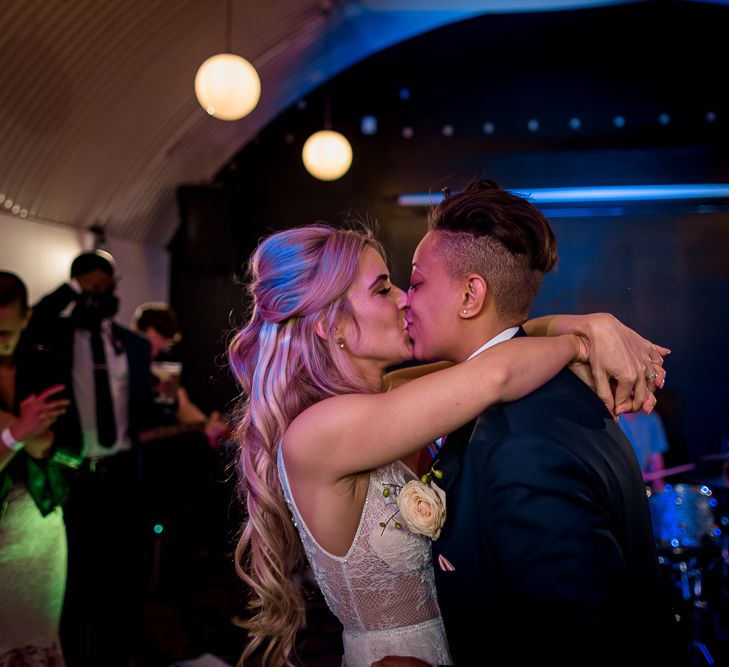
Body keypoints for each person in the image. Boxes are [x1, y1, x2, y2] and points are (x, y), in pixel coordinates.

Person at [227, 222, 666, 667]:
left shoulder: (389, 395)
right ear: (330, 324)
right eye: (383, 290)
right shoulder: (319, 430)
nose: (404, 298)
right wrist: (579, 343)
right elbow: (496, 372)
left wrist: (596, 325)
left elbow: (498, 347)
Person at [397, 180, 678, 666]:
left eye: (417, 282)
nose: (405, 299)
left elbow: (577, 643)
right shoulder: (551, 396)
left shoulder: (517, 441)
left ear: (471, 295)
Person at [26, 251, 155, 667]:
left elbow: (138, 407)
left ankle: (116, 653)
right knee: (75, 579)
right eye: (89, 284)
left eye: (105, 285)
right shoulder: (55, 338)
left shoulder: (132, 345)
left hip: (120, 472)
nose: (97, 292)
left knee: (122, 575)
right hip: (74, 473)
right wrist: (74, 288)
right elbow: (35, 320)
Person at [0, 271, 82, 665]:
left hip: (38, 525)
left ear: (25, 318)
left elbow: (74, 453)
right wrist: (18, 433)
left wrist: (33, 439)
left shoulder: (47, 367)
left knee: (35, 639)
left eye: (5, 331)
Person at [132, 301, 228, 447]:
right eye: (150, 346)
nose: (154, 353)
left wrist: (206, 423)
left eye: (160, 347)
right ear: (134, 331)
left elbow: (182, 405)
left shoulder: (166, 362)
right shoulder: (121, 360)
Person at [618, 410, 670, 490]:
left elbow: (656, 457)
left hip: (642, 488)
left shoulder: (652, 418)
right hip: (617, 487)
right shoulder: (608, 418)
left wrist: (658, 481)